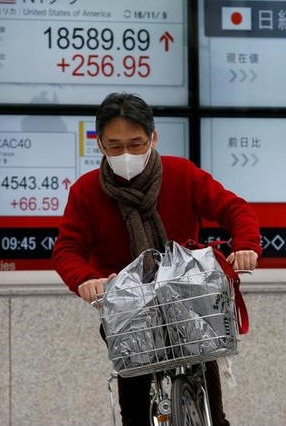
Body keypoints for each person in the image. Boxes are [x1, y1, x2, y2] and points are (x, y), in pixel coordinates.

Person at [52, 92, 261, 426]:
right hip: (127, 306)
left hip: (188, 297)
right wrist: (86, 279)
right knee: (134, 404)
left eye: (136, 144)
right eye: (115, 146)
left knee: (211, 400)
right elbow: (67, 248)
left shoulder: (182, 174)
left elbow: (234, 209)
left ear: (153, 138)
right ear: (100, 145)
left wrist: (246, 245)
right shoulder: (87, 191)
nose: (126, 154)